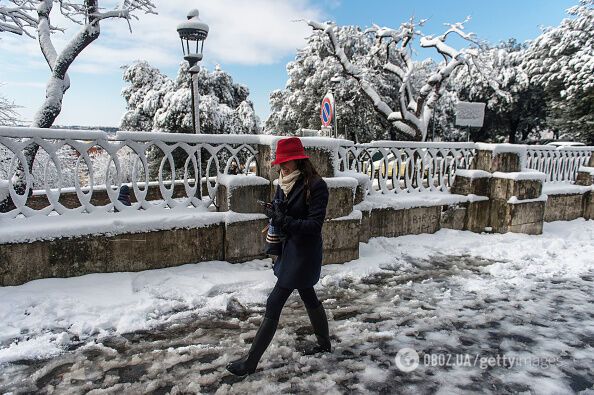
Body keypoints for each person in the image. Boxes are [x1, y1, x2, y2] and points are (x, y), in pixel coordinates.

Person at [226, 136, 331, 377]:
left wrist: (282, 219)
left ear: (299, 160)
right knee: (308, 295)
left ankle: (250, 363)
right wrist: (274, 211)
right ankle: (324, 344)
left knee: (274, 302)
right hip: (289, 249)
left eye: (286, 162)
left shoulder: (316, 185)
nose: (282, 167)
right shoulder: (281, 182)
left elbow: (314, 225)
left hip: (304, 252)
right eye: (280, 163)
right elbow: (282, 210)